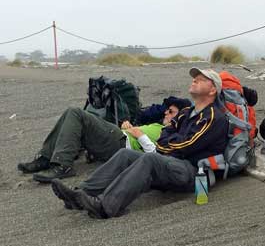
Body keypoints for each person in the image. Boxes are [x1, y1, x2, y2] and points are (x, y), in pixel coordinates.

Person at [51, 68, 229, 219]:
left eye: (200, 80)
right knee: (125, 154)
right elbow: (164, 135)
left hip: (193, 172)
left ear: (212, 90)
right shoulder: (185, 113)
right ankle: (81, 193)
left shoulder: (214, 117)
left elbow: (188, 144)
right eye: (194, 79)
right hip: (170, 162)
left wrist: (166, 145)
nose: (194, 81)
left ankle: (105, 207)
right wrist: (167, 144)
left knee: (150, 159)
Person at [17, 97, 190, 183]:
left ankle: (62, 165)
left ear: (182, 115)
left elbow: (158, 156)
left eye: (171, 111)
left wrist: (140, 136)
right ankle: (46, 158)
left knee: (75, 113)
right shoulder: (161, 126)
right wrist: (130, 127)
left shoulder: (173, 134)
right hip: (121, 137)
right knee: (70, 116)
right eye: (167, 110)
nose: (166, 113)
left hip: (122, 144)